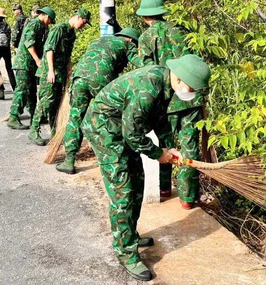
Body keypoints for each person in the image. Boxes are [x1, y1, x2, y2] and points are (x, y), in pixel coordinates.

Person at [82, 54, 210, 282]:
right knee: (123, 190)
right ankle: (125, 251)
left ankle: (129, 233)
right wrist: (158, 154)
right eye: (191, 87)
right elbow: (132, 133)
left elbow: (158, 118)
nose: (192, 93)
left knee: (137, 181)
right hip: (105, 130)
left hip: (123, 129)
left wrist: (168, 146)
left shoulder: (165, 83)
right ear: (179, 79)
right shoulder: (148, 87)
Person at [136, 0, 200, 209]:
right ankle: (188, 198)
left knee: (165, 145)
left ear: (145, 17)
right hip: (190, 96)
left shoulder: (146, 37)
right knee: (190, 146)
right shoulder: (182, 30)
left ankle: (164, 188)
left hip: (165, 99)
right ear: (162, 12)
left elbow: (145, 71)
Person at [56, 27, 142, 174]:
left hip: (80, 78)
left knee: (76, 117)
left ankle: (69, 160)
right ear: (131, 40)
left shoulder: (99, 40)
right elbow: (142, 64)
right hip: (101, 79)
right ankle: (113, 155)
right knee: (111, 115)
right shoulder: (127, 45)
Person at [28, 7, 90, 146]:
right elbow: (49, 50)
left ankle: (55, 132)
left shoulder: (71, 34)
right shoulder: (59, 29)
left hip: (61, 73)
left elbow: (68, 54)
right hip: (49, 73)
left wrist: (69, 69)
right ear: (78, 17)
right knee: (46, 101)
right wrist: (50, 70)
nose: (83, 26)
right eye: (84, 22)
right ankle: (34, 129)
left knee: (56, 104)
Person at [6, 6, 54, 130]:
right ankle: (13, 117)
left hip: (31, 65)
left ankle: (35, 116)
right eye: (50, 21)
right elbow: (29, 43)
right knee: (22, 90)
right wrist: (38, 60)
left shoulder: (43, 27)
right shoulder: (34, 24)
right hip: (24, 63)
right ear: (46, 16)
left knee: (32, 91)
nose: (50, 23)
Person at [0, 8, 17, 91]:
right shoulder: (6, 25)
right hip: (6, 48)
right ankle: (14, 87)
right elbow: (9, 36)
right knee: (9, 68)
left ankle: (0, 89)